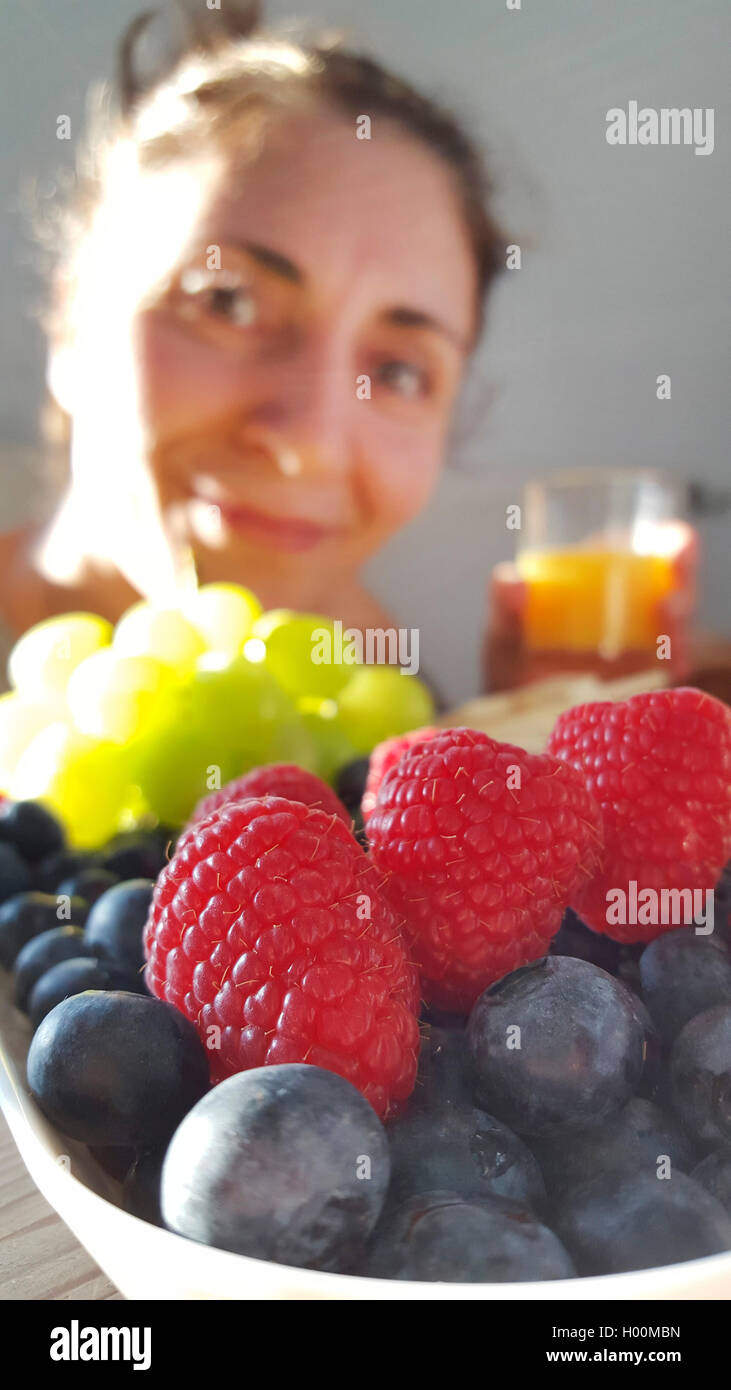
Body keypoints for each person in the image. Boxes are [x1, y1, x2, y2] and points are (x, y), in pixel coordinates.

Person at [0, 1, 506, 673]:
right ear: (73, 327)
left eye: (397, 373)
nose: (307, 444)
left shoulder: (404, 719)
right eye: (228, 303)